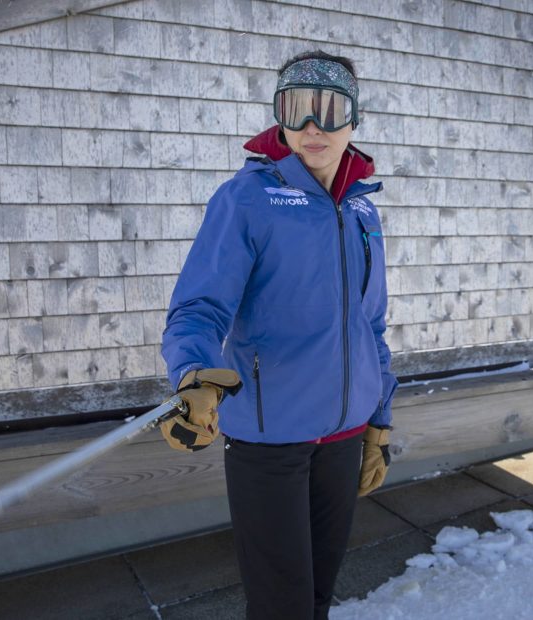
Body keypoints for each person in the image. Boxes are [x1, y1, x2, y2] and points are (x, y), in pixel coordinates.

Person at [159, 49, 398, 619]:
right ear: (279, 117)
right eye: (297, 109)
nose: (314, 127)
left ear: (354, 120)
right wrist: (192, 376)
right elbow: (199, 307)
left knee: (318, 594)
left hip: (345, 435)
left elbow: (372, 325)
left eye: (331, 109)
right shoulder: (248, 199)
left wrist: (380, 418)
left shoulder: (363, 211)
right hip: (270, 440)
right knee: (280, 606)